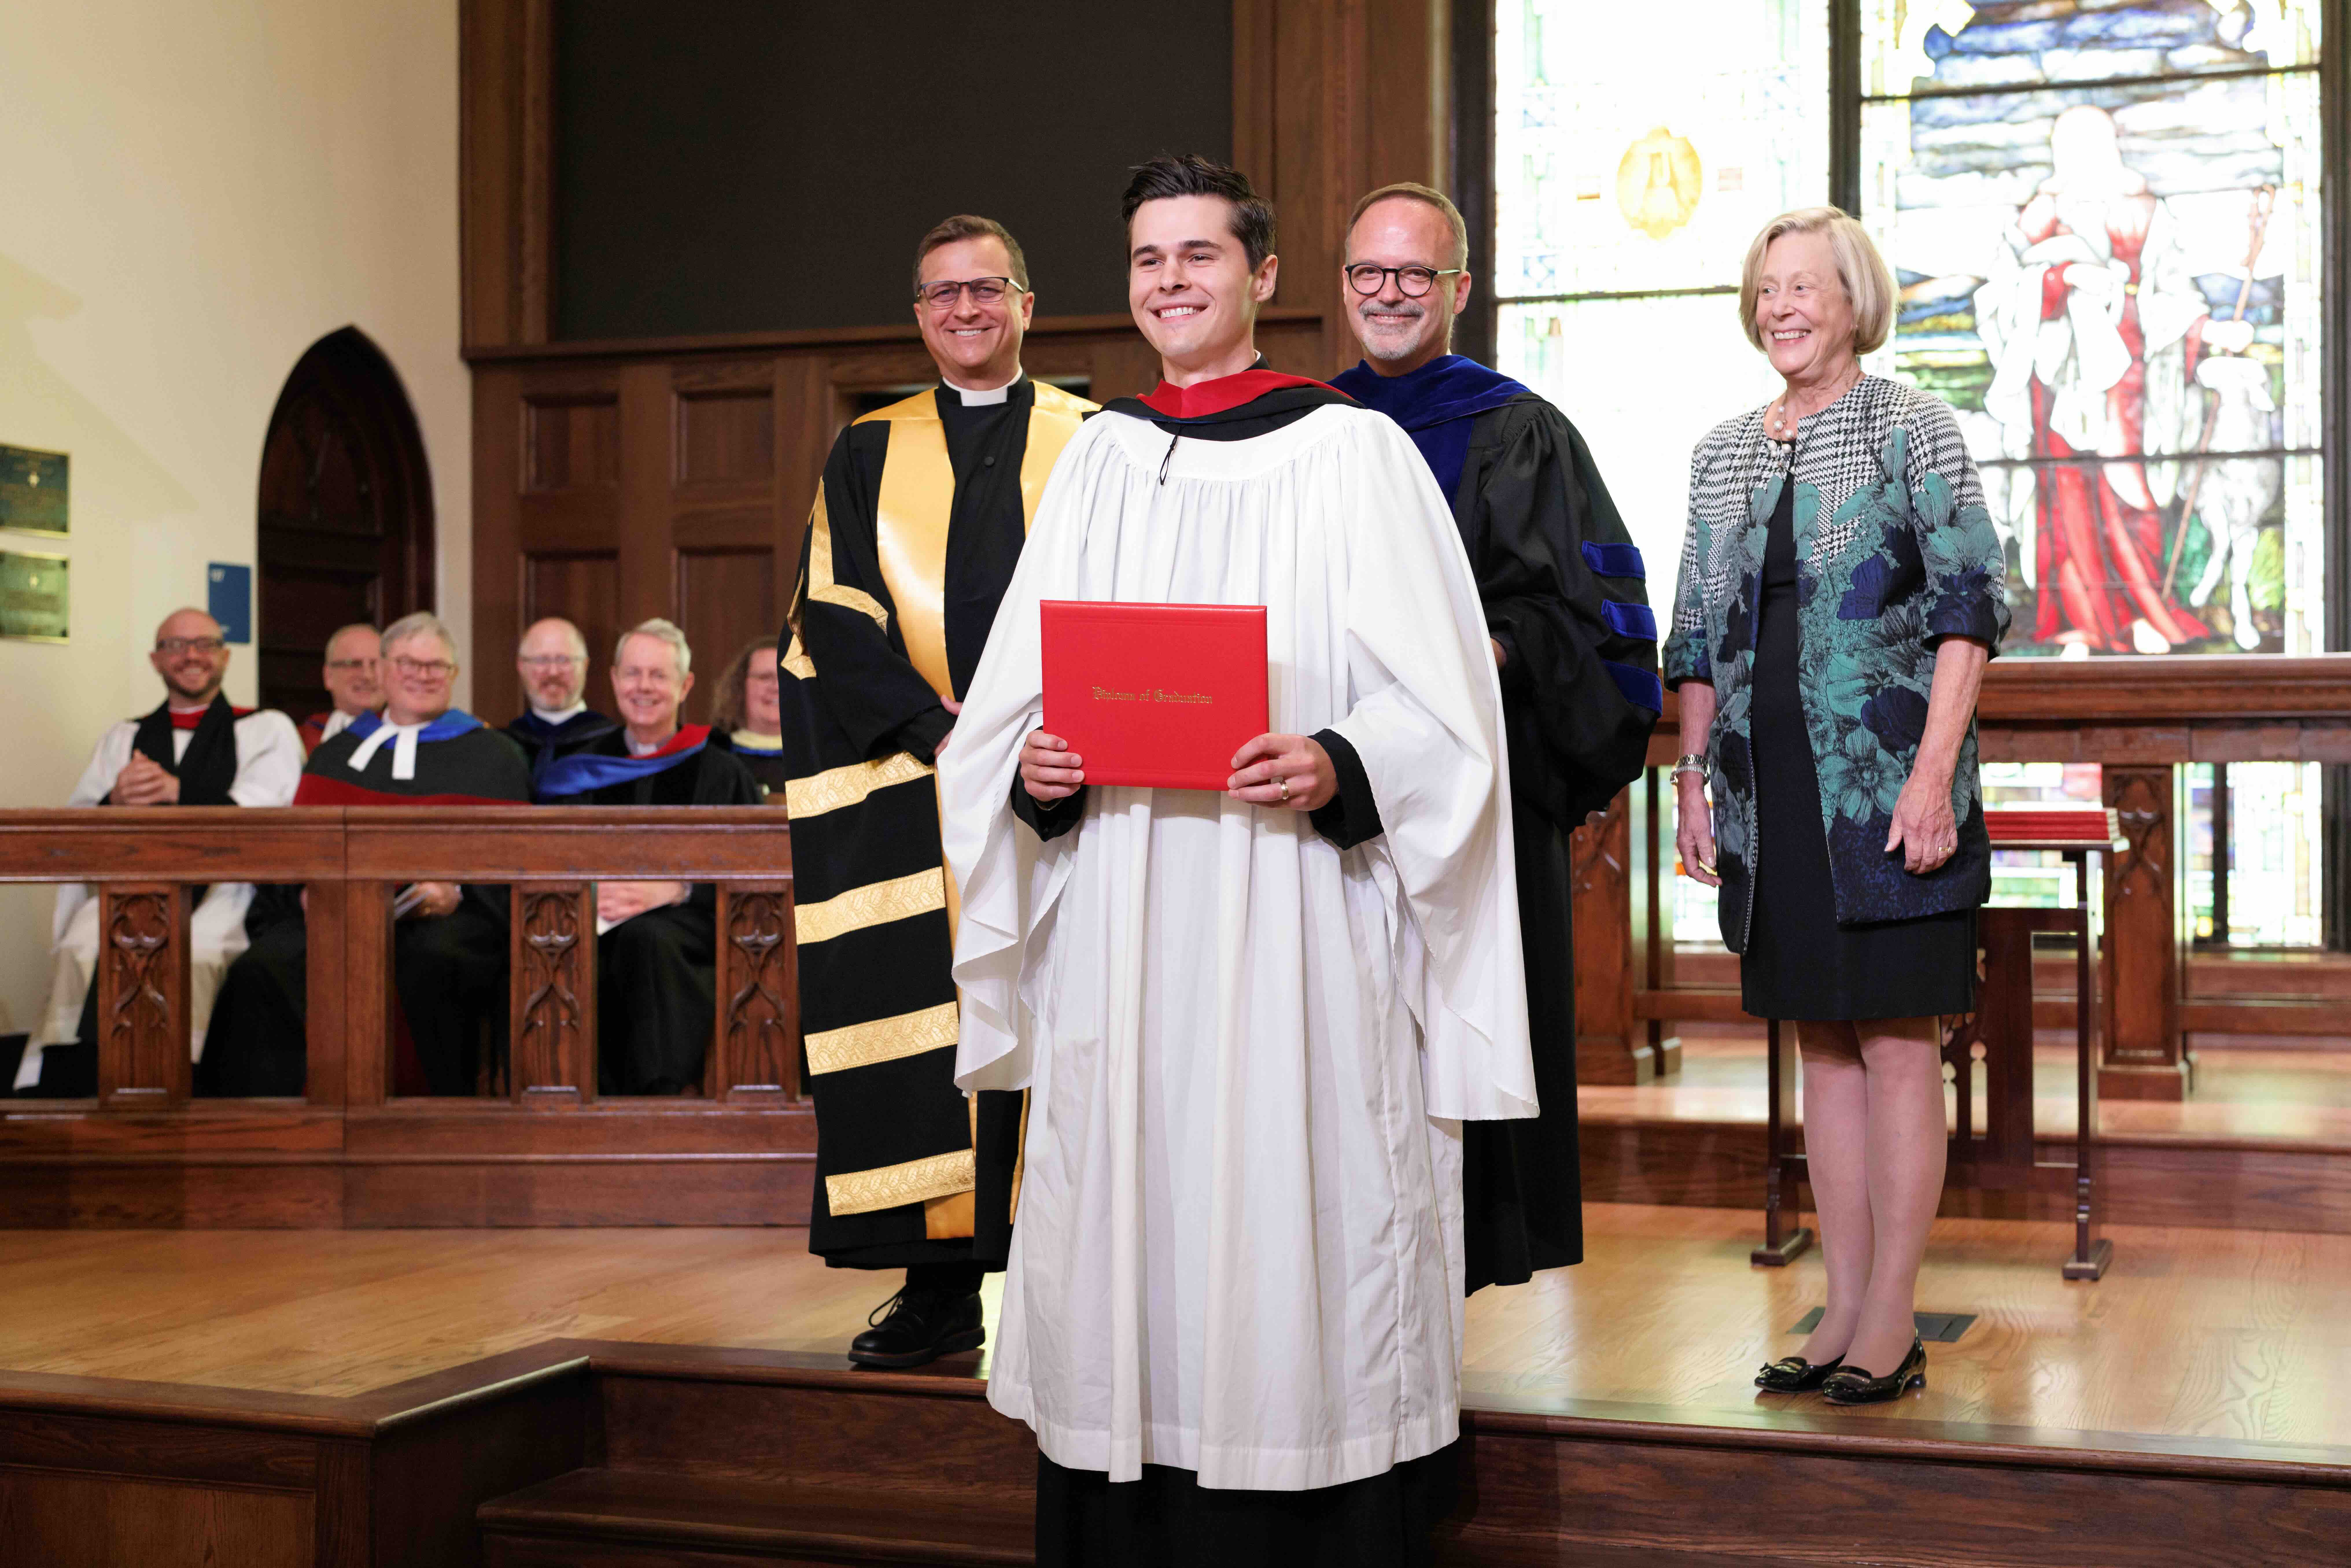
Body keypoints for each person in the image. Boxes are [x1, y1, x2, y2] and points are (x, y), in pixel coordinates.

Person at [939, 155, 1531, 1565]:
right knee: (1128, 1208)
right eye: (1147, 260)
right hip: (1126, 928)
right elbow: (1002, 717)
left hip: (1294, 919)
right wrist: (1032, 773)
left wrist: (1338, 758)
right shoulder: (1094, 461)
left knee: (1296, 1201)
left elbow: (1449, 714)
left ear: (1260, 278)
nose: (1169, 283)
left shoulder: (1351, 456)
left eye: (1198, 257)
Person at [1666, 209, 2006, 1405]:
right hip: (1770, 800)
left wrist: (1930, 777)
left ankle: (1890, 1314)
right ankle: (1840, 1309)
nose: (1781, 309)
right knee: (1823, 1044)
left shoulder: (1915, 423)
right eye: (1767, 290)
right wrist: (1693, 782)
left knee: (1897, 1045)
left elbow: (1973, 605)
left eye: (1804, 287)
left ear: (1855, 297)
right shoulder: (1719, 451)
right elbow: (1693, 639)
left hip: (1886, 786)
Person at [778, 213, 1096, 1368]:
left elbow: (1132, 596)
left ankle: (1087, 1290)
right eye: (939, 294)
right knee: (931, 1034)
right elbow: (833, 608)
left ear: (1026, 303)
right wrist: (935, 730)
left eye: (985, 289)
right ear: (918, 315)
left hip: (1072, 780)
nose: (963, 309)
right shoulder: (867, 448)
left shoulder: (1096, 439)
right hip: (918, 785)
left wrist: (1063, 735)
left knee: (1071, 1019)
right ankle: (937, 1287)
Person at [1330, 181, 1660, 1293]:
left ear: (1458, 288)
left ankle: (1438, 1301)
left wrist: (1457, 657)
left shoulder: (1518, 429)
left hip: (1467, 794)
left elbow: (1588, 623)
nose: (1389, 294)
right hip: (1319, 796)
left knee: (1451, 1052)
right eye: (1369, 273)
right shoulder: (1301, 431)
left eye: (1415, 274)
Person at [201, 613, 531, 1097]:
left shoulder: (495, 756)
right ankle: (271, 1122)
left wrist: (457, 893)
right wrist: (303, 894)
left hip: (444, 922)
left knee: (432, 960)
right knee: (264, 967)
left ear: (455, 676)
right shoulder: (336, 754)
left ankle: (427, 1120)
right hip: (336, 915)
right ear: (382, 670)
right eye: (408, 663)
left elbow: (516, 862)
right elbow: (296, 853)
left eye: (436, 666)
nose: (423, 674)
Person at [1974, 104, 2259, 654]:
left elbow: (2171, 293)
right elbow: (2000, 291)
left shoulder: (2146, 210)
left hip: (2134, 376)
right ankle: (2074, 623)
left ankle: (2140, 612)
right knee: (2064, 495)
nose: (2080, 157)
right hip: (2058, 373)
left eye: (2092, 144)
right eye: (2070, 145)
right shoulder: (2038, 212)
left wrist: (2207, 330)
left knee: (2132, 490)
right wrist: (2058, 279)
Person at [23, 608, 302, 1096]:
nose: (191, 656)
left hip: (225, 891)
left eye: (204, 645)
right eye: (176, 646)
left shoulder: (266, 729)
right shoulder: (125, 738)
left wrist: (178, 790)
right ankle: (77, 1095)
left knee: (198, 953)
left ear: (225, 657)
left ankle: (189, 1093)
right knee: (81, 948)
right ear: (156, 659)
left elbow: (267, 818)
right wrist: (116, 802)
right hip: (129, 886)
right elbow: (79, 824)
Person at [535, 619, 761, 1093]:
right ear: (615, 679)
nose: (644, 687)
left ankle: (654, 1101)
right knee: (547, 942)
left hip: (694, 927)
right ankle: (557, 1097)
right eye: (633, 674)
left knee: (647, 937)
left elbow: (752, 873)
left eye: (658, 675)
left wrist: (677, 890)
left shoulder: (722, 771)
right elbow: (547, 861)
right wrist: (594, 893)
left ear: (685, 685)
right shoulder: (577, 771)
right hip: (589, 915)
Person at [505, 617, 617, 774]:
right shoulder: (504, 744)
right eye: (541, 660)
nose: (553, 672)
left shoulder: (614, 743)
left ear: (585, 665)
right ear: (521, 666)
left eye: (564, 660)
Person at [707, 637, 789, 801]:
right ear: (740, 685)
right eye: (765, 677)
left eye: (787, 676)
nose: (776, 687)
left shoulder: (822, 755)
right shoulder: (709, 752)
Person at [298, 624, 383, 755]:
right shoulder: (300, 741)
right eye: (355, 664)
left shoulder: (416, 737)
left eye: (376, 664)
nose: (368, 676)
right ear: (329, 676)